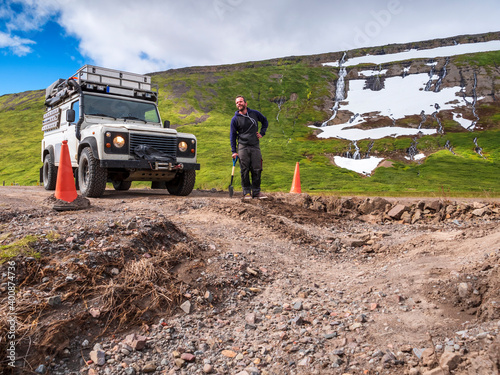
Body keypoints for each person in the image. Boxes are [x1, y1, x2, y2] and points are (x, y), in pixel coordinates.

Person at [230, 95, 269, 199]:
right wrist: (234, 151)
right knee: (244, 169)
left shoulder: (254, 114)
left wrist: (262, 133)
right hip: (242, 146)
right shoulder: (235, 119)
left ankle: (256, 192)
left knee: (257, 168)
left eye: (241, 101)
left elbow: (265, 121)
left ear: (246, 103)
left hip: (255, 145)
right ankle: (246, 191)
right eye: (237, 102)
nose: (239, 103)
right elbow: (232, 135)